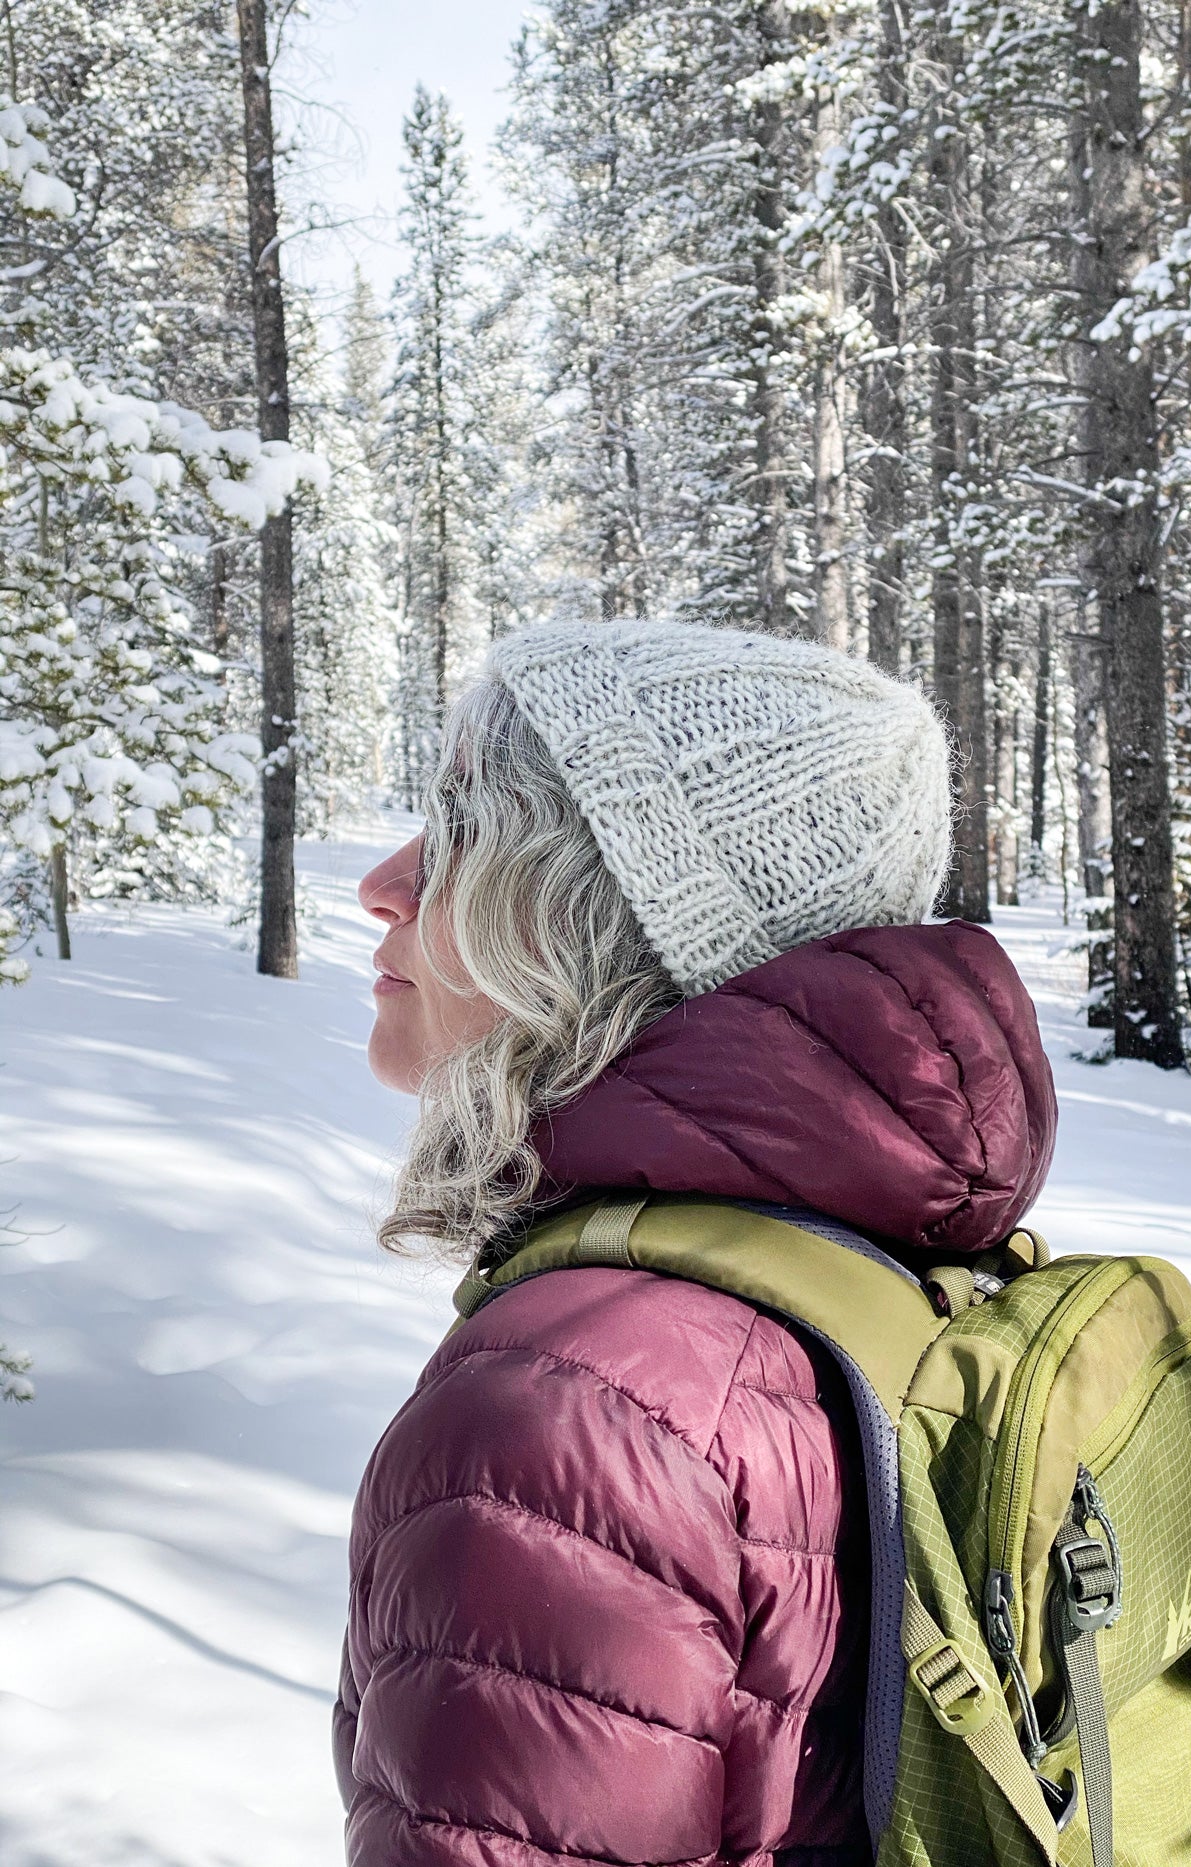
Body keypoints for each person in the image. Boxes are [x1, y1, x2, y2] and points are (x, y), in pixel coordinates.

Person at [336, 618, 1056, 1867]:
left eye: (463, 827)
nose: (385, 879)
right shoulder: (889, 1270)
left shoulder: (565, 1413)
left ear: (598, 917)